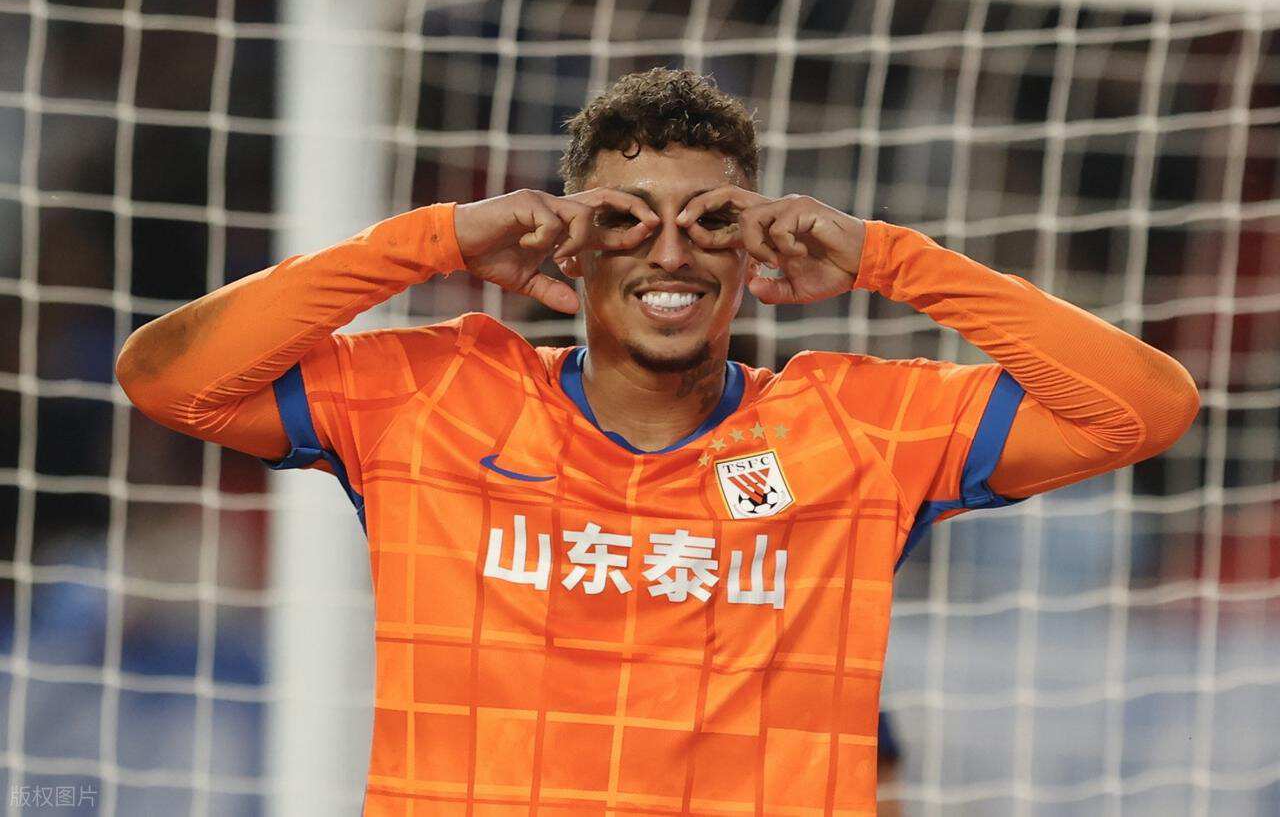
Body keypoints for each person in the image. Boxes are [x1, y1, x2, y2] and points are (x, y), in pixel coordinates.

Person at [116, 68, 1198, 815]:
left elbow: (1141, 408)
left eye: (712, 218)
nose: (669, 251)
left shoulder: (856, 428)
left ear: (753, 249)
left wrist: (888, 258)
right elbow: (170, 378)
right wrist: (434, 241)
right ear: (571, 244)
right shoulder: (436, 397)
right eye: (625, 217)